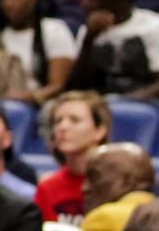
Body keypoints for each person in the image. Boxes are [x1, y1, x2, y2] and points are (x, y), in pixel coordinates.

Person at [0, 0, 75, 106]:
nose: (8, 2)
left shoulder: (54, 30)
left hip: (39, 106)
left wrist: (19, 98)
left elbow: (57, 87)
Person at [67, 0, 159, 97]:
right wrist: (89, 39)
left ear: (120, 0)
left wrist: (125, 101)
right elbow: (77, 85)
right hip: (96, 102)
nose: (84, 3)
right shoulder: (88, 30)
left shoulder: (153, 26)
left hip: (143, 102)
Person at [35, 91, 112, 225]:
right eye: (58, 121)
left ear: (99, 131)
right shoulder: (47, 187)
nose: (62, 127)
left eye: (75, 120)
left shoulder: (116, 185)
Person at [80, 143, 156, 231]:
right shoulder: (154, 213)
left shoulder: (104, 218)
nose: (84, 188)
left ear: (128, 181)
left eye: (94, 178)